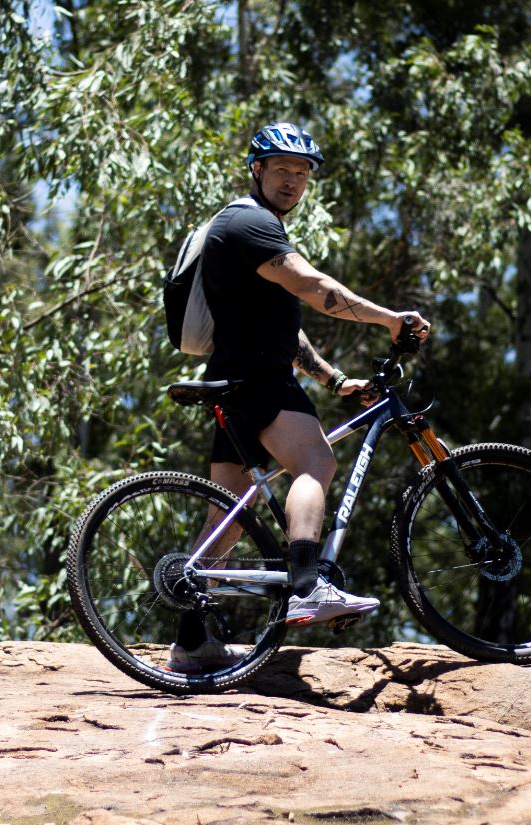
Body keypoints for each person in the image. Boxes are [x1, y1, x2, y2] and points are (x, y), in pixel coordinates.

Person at [167, 122, 431, 673]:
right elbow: (317, 290)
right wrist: (390, 319)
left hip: (238, 374)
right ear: (257, 170)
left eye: (303, 173)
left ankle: (191, 642)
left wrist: (335, 381)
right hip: (257, 378)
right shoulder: (248, 222)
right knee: (316, 461)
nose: (293, 181)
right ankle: (308, 585)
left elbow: (286, 332)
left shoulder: (253, 230)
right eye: (282, 169)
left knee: (233, 513)